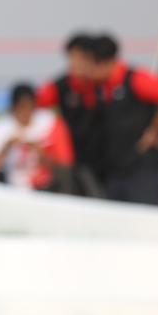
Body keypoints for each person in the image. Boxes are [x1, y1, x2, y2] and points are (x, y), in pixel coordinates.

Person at [84, 33, 158, 204]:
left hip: (141, 166)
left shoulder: (135, 80)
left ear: (101, 62)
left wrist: (153, 130)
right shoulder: (101, 87)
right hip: (116, 167)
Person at [37, 33, 101, 195]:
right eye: (72, 57)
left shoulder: (103, 85)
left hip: (103, 160)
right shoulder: (60, 86)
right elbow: (32, 107)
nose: (75, 63)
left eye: (80, 58)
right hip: (71, 161)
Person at [0, 83, 75, 192]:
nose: (26, 113)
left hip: (43, 190)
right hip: (9, 189)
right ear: (13, 108)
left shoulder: (49, 124)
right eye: (22, 107)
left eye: (31, 107)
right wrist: (5, 150)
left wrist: (41, 154)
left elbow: (65, 170)